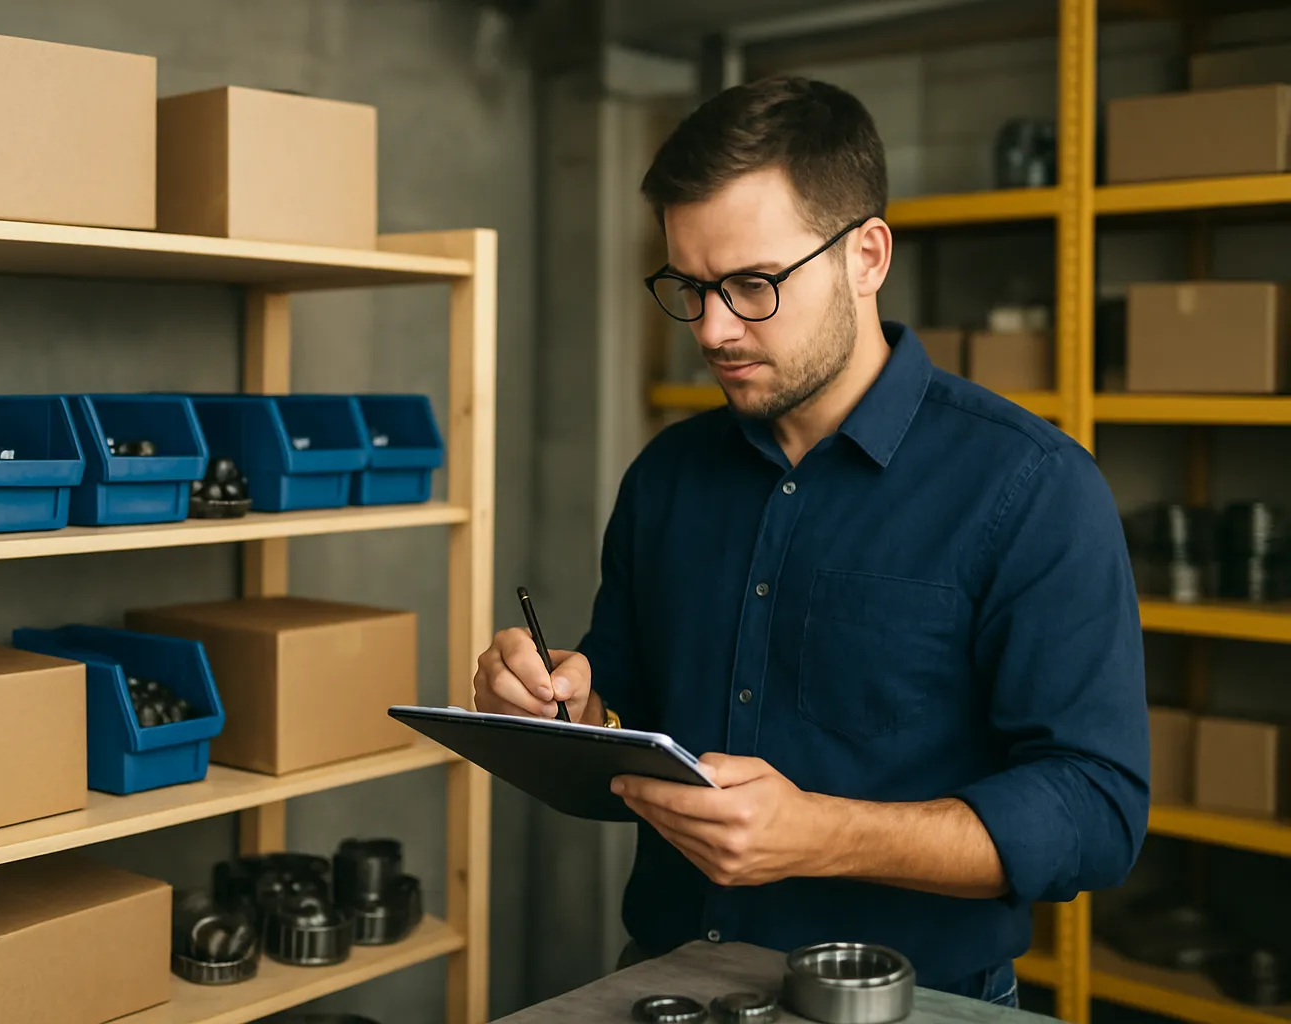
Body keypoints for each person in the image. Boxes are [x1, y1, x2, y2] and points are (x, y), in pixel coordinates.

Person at [472, 74, 1149, 1008]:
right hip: (670, 983)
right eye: (689, 286)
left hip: (914, 1002)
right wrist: (559, 716)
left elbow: (1098, 811)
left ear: (866, 255)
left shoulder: (1032, 487)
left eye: (754, 285)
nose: (712, 330)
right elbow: (621, 744)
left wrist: (820, 833)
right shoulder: (666, 478)